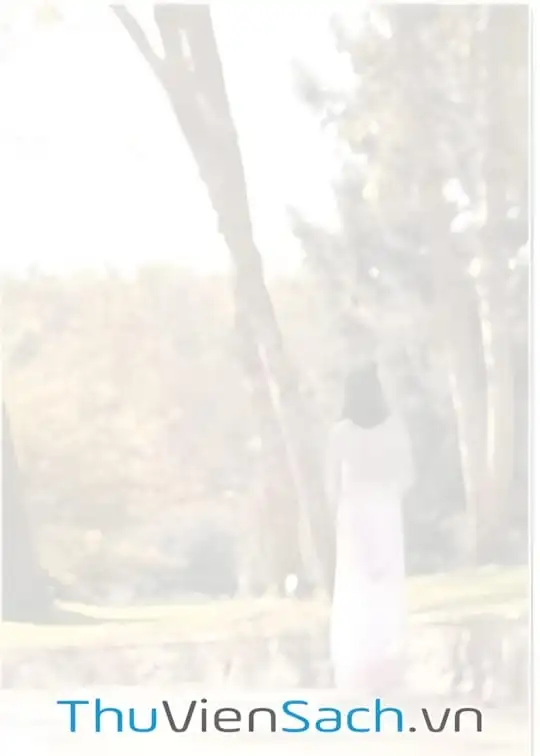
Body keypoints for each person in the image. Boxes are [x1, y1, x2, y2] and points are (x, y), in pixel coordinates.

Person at [326, 363, 413, 694]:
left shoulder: (340, 434)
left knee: (357, 579)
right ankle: (387, 648)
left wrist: (344, 504)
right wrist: (387, 492)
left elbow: (331, 485)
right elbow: (408, 475)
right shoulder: (395, 430)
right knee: (387, 579)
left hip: (353, 511)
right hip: (386, 509)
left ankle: (358, 651)